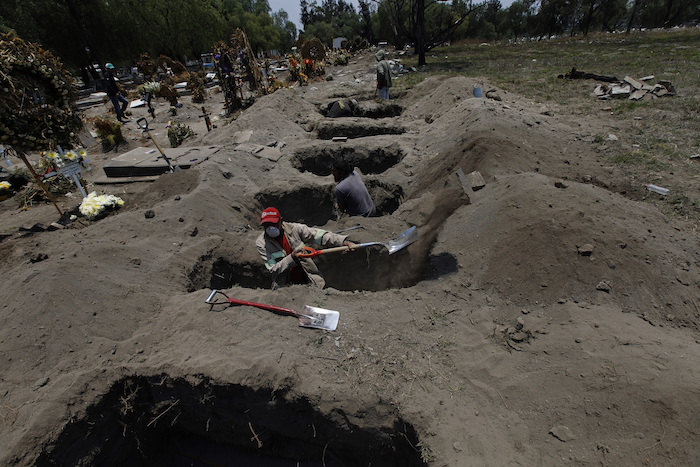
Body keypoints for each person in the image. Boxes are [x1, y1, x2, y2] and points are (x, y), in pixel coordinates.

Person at [256, 207, 356, 289]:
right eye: (266, 225)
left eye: (273, 224)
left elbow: (318, 235)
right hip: (284, 286)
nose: (270, 228)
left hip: (308, 276)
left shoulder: (294, 229)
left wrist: (342, 241)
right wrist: (292, 257)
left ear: (281, 221)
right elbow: (273, 269)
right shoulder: (261, 243)